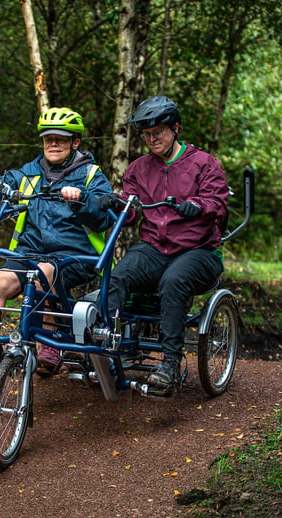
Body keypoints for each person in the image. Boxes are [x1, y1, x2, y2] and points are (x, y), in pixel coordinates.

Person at [0, 107, 113, 382]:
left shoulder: (91, 175)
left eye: (61, 139)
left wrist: (81, 199)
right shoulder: (29, 173)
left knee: (41, 273)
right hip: (30, 252)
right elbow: (2, 187)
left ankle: (48, 344)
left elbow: (103, 218)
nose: (54, 144)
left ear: (75, 143)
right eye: (49, 139)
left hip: (75, 256)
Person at [98, 95, 229, 390]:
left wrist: (198, 206)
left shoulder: (204, 163)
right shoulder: (138, 169)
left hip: (199, 251)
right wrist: (114, 204)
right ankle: (107, 345)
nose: (152, 139)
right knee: (118, 275)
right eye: (147, 135)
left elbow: (219, 206)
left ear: (175, 128)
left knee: (174, 281)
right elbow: (131, 213)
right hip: (156, 247)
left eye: (158, 132)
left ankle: (169, 362)